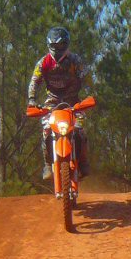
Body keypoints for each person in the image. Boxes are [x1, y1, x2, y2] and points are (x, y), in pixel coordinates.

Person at [27, 26, 92, 180]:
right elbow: (34, 81)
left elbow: (86, 76)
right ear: (49, 45)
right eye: (55, 46)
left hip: (73, 102)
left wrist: (90, 93)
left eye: (61, 45)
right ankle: (48, 164)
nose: (58, 49)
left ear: (67, 44)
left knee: (80, 129)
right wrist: (31, 99)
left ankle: (83, 162)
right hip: (52, 103)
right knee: (46, 131)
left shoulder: (74, 61)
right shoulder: (44, 63)